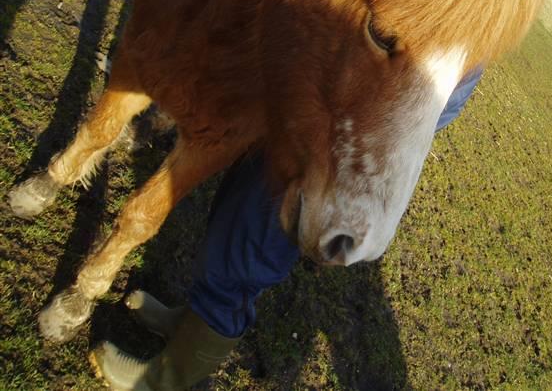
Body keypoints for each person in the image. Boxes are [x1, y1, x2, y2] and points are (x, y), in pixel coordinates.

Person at [91, 69, 483, 391]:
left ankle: (166, 379)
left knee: (258, 229)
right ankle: (189, 323)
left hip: (383, 83)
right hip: (348, 67)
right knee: (241, 194)